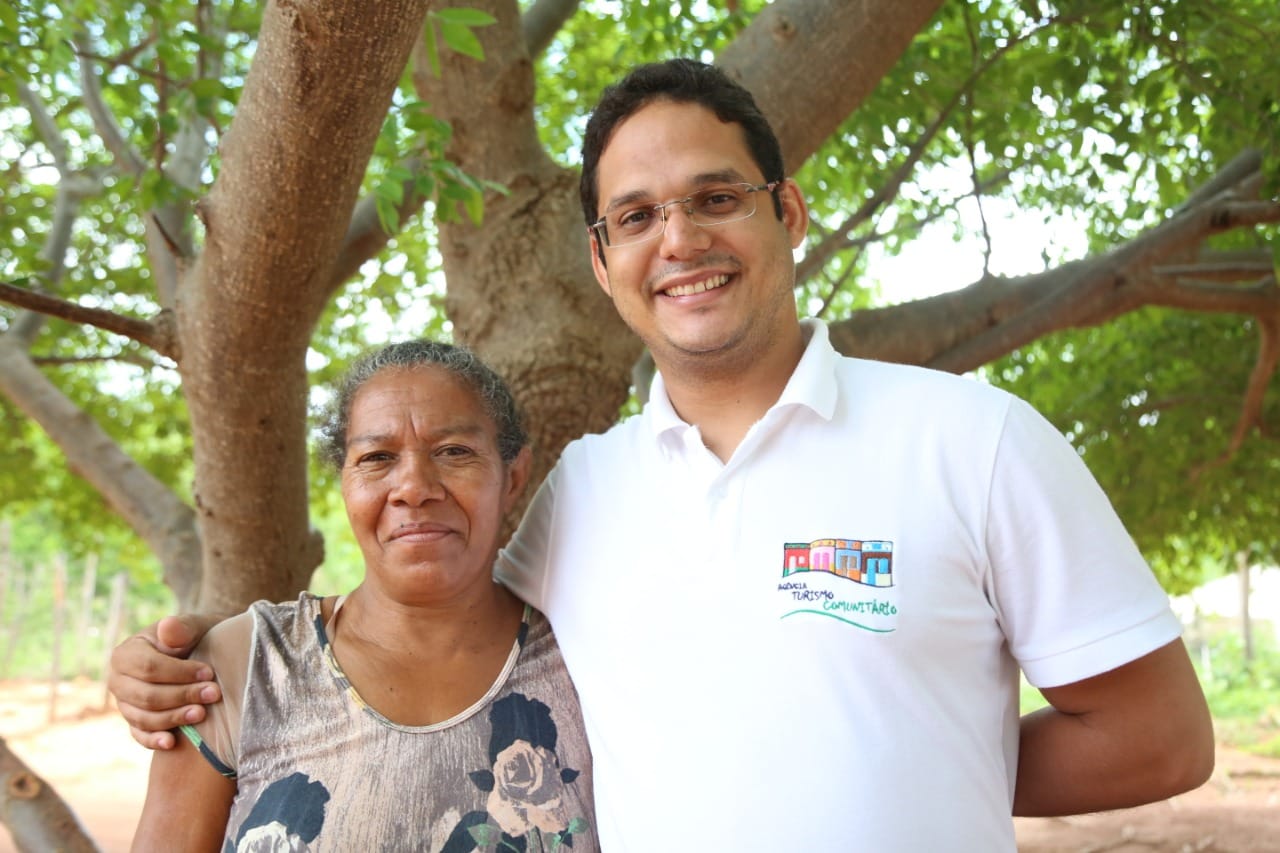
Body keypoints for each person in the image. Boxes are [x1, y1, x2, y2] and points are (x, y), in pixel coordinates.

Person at [111, 60, 1213, 851]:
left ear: (786, 212)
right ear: (602, 261)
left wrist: (927, 759)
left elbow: (1158, 739)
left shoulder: (972, 439)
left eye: (715, 198)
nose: (679, 239)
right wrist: (191, 664)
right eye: (635, 216)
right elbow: (433, 615)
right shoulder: (582, 492)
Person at [130, 341, 596, 851]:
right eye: (377, 458)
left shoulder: (586, 658)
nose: (413, 487)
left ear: (514, 477)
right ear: (346, 484)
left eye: (454, 451)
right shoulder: (246, 665)